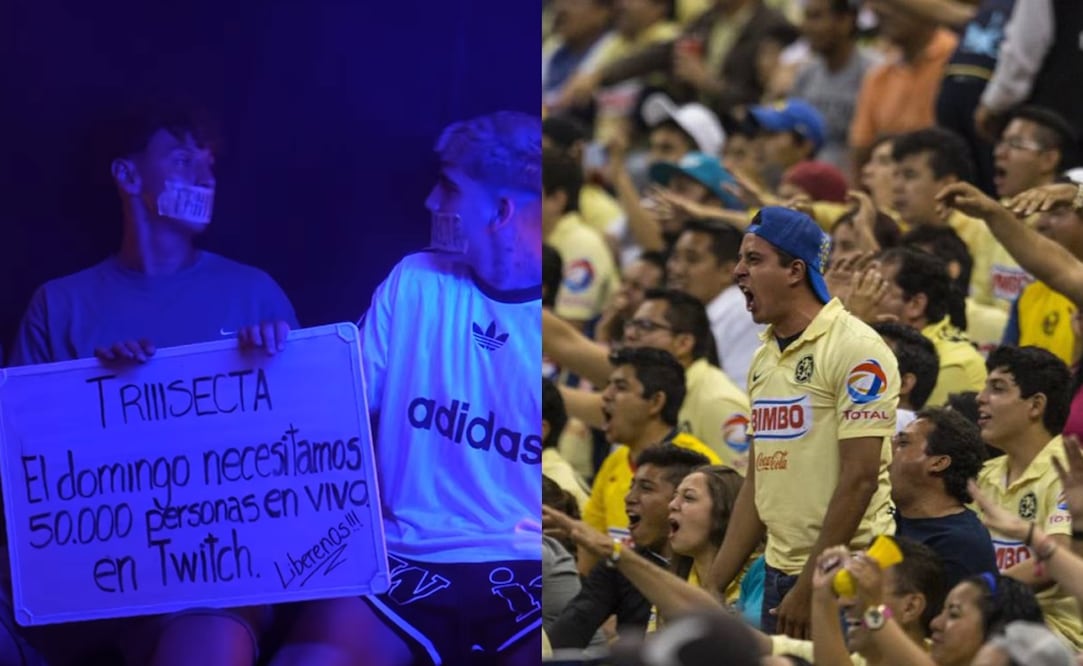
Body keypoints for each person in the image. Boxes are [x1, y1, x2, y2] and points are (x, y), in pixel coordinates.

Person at [5, 100, 296, 666]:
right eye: (184, 160)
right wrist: (95, 393)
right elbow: (20, 466)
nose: (205, 178)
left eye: (210, 165)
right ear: (129, 175)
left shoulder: (253, 295)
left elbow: (309, 450)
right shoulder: (60, 303)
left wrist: (275, 368)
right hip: (81, 570)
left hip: (210, 579)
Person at [271, 111, 543, 666]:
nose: (429, 202)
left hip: (529, 565)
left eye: (448, 188)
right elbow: (335, 415)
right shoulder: (414, 278)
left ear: (501, 211)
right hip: (405, 556)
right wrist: (270, 362)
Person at [709, 206, 899, 638]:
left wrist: (811, 584)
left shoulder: (857, 349)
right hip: (778, 569)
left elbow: (860, 478)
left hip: (845, 570)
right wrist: (714, 583)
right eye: (741, 259)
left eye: (754, 260)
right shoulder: (764, 357)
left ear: (795, 270)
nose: (738, 271)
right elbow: (757, 482)